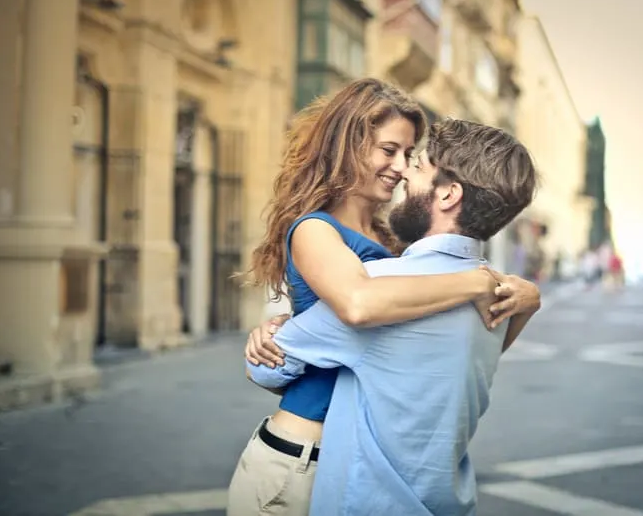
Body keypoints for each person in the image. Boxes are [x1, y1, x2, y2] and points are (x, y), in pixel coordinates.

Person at [227, 79, 538, 516]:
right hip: (303, 450)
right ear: (348, 146)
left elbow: (444, 353)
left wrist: (518, 302)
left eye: (410, 155)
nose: (400, 166)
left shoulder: (396, 247)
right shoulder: (319, 230)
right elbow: (359, 304)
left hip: (353, 453)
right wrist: (477, 282)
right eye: (388, 150)